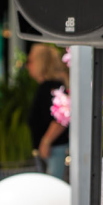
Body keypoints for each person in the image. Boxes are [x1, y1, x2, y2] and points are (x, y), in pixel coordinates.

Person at [26, 43, 70, 180]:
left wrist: (46, 141)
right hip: (53, 149)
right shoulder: (52, 86)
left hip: (55, 148)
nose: (28, 66)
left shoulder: (50, 87)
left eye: (30, 61)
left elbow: (61, 118)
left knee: (54, 185)